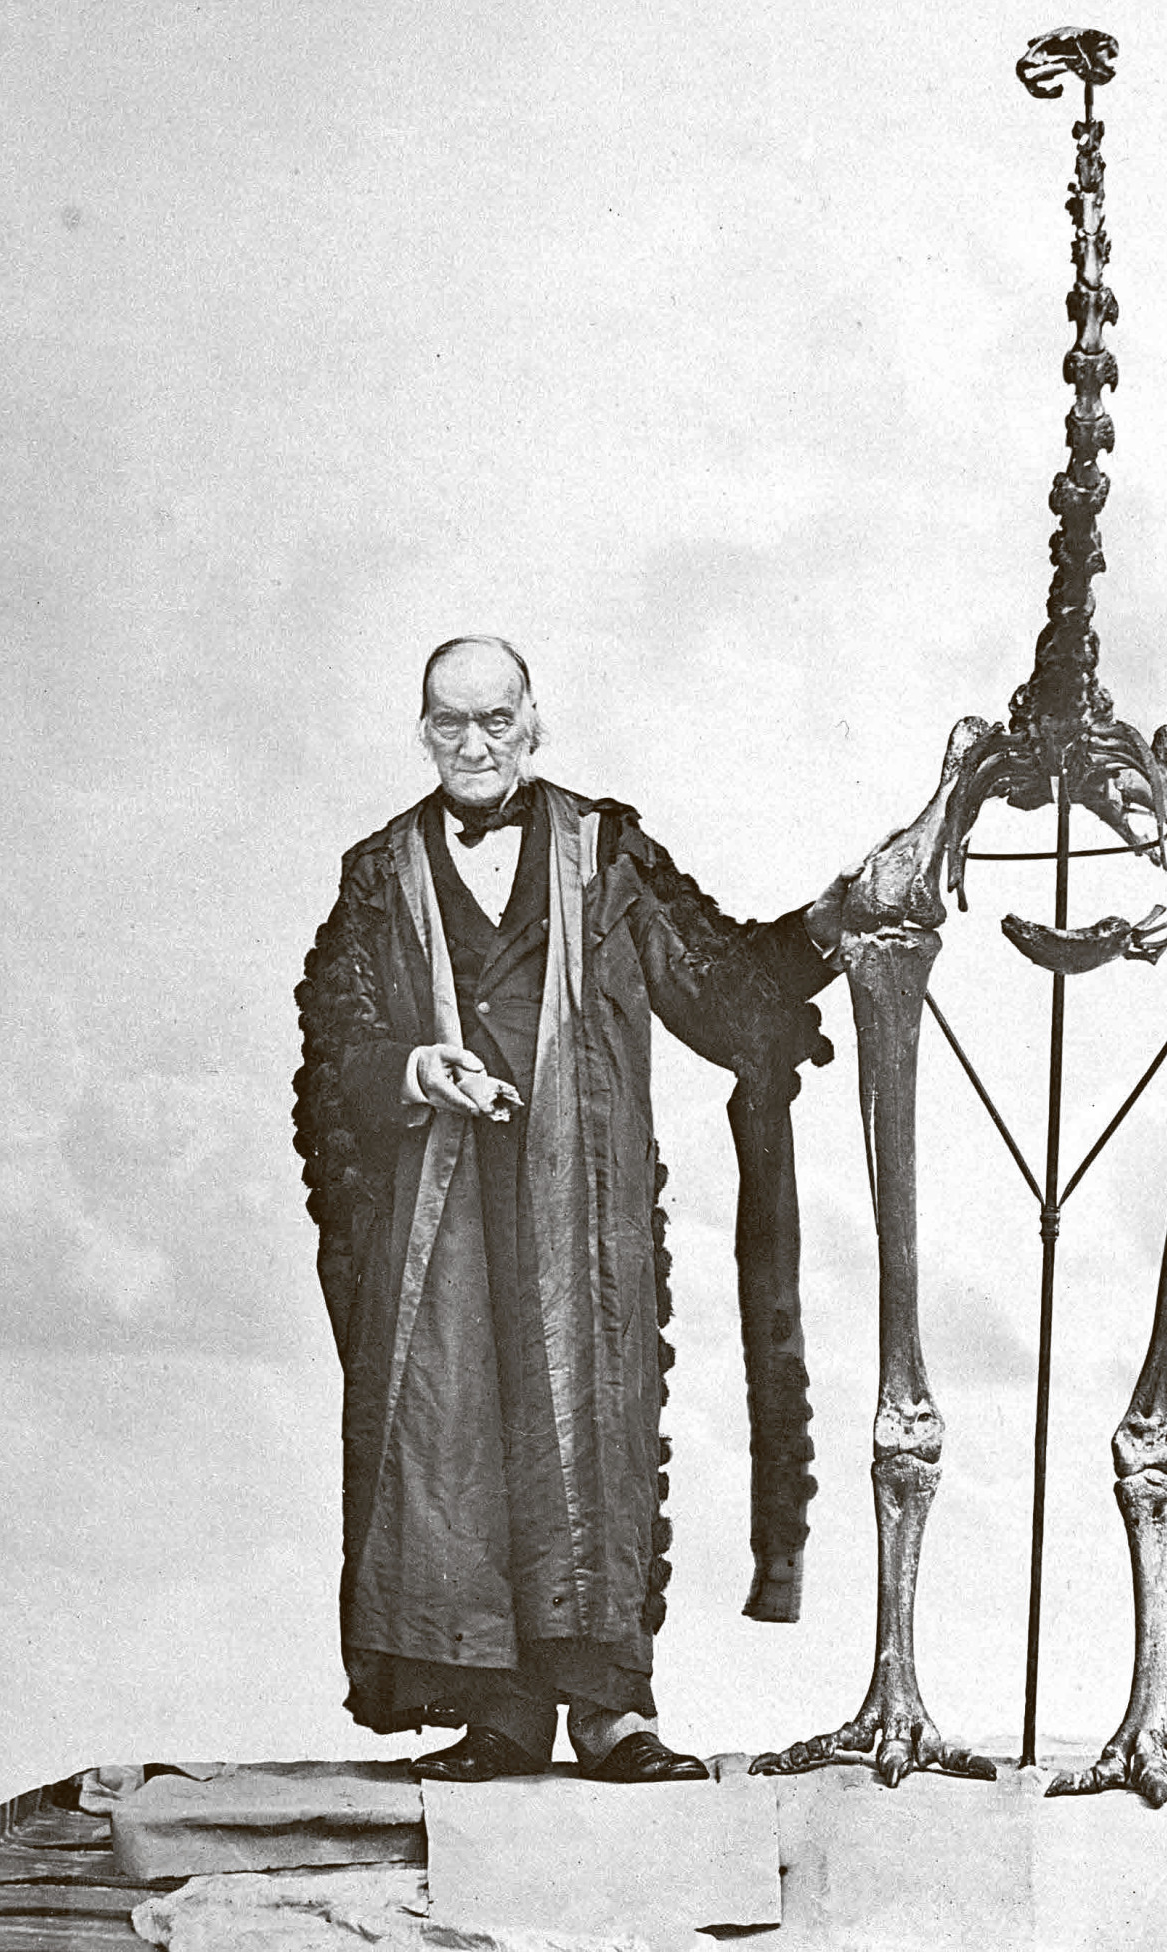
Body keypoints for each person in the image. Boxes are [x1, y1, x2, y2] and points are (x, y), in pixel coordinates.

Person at [293, 635, 847, 1783]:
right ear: (422, 729)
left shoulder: (606, 852)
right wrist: (413, 1067)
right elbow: (337, 1035)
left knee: (591, 1436)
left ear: (532, 722)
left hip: (581, 1206)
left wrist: (844, 919)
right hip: (441, 1215)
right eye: (450, 721)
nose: (474, 743)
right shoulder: (379, 871)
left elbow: (719, 982)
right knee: (457, 1435)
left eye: (495, 719)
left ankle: (608, 1712)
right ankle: (498, 1714)